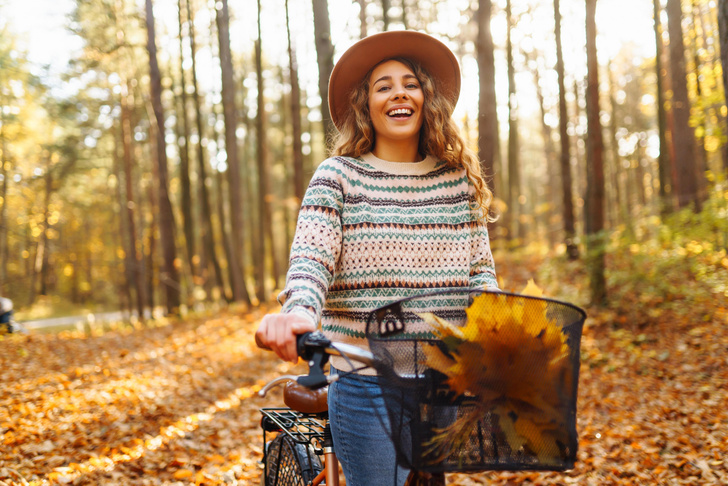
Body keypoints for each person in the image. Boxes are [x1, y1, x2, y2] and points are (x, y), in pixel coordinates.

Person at [255, 30, 498, 485]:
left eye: (410, 83)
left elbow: (481, 273)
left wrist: (497, 328)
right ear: (365, 106)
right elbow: (311, 261)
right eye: (382, 86)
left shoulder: (458, 182)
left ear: (427, 98)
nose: (399, 93)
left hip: (443, 381)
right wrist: (298, 312)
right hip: (365, 380)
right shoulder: (338, 177)